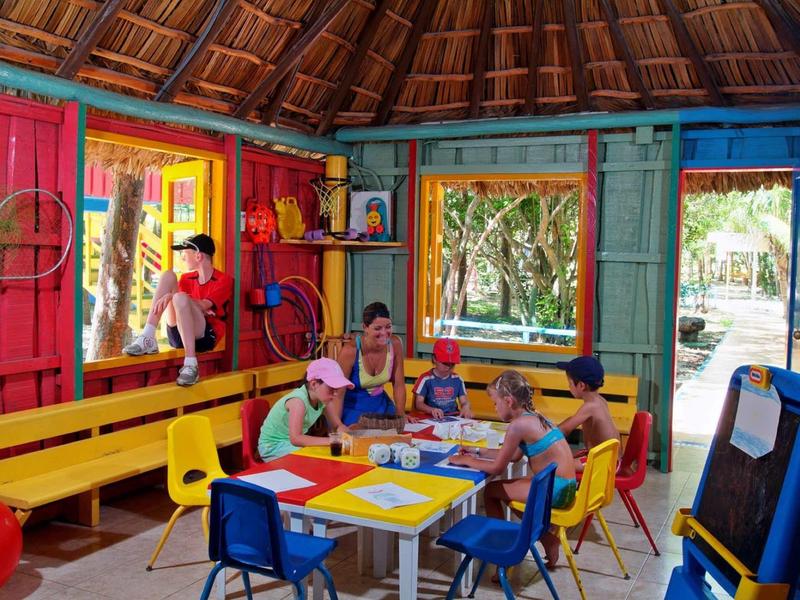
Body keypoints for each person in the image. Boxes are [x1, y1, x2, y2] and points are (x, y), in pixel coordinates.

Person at [448, 369, 576, 567]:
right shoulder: (535, 417)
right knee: (505, 491)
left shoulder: (518, 425)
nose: (494, 408)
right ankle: (546, 538)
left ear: (508, 401)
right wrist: (476, 451)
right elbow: (514, 455)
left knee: (492, 491)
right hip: (567, 486)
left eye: (495, 403)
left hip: (555, 490)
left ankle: (501, 552)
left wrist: (466, 461)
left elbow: (498, 468)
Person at [122, 233, 233, 387]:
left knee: (179, 297)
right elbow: (189, 306)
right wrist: (184, 301)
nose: (182, 258)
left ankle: (191, 364)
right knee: (168, 276)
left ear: (198, 256)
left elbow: (202, 305)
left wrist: (179, 299)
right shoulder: (186, 279)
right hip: (178, 334)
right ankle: (148, 336)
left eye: (184, 253)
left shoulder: (223, 280)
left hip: (204, 337)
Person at [327, 302, 413, 428]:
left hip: (382, 407)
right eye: (377, 328)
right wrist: (337, 426)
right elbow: (338, 394)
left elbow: (399, 384)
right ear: (365, 327)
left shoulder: (395, 344)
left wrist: (400, 416)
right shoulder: (350, 351)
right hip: (353, 409)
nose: (384, 333)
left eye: (388, 327)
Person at [258, 358, 354, 461]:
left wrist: (350, 437)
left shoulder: (324, 400)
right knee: (317, 459)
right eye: (331, 388)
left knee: (330, 455)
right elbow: (296, 438)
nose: (335, 394)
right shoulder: (298, 402)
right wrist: (332, 441)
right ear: (314, 384)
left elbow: (337, 426)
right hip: (273, 447)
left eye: (337, 389)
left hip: (291, 445)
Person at [556, 356, 620, 471]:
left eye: (570, 383)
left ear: (581, 385)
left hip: (604, 463)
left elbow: (565, 429)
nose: (568, 387)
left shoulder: (590, 407)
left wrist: (543, 437)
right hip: (608, 458)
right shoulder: (599, 400)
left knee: (556, 466)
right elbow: (571, 420)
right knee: (564, 460)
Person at [412, 338, 473, 419]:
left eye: (452, 364)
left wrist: (466, 407)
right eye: (445, 363)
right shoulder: (426, 379)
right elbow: (419, 403)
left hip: (453, 417)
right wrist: (432, 410)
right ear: (434, 359)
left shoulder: (457, 379)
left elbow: (464, 401)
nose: (449, 367)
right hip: (431, 417)